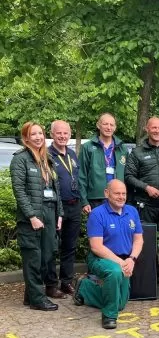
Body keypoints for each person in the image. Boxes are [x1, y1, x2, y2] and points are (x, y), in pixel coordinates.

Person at [73, 179, 143, 330]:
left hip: (125, 259)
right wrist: (121, 262)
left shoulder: (132, 211)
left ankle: (85, 288)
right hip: (100, 258)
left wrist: (131, 259)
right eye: (117, 193)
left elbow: (139, 240)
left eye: (123, 193)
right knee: (115, 272)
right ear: (107, 193)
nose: (121, 197)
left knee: (120, 304)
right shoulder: (97, 214)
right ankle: (109, 316)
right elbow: (96, 247)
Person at [10, 122, 64, 310]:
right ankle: (37, 299)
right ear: (26, 138)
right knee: (33, 258)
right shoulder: (20, 159)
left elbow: (56, 189)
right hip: (32, 216)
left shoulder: (47, 159)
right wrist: (31, 216)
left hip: (50, 213)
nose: (38, 137)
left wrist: (60, 214)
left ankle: (30, 295)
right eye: (33, 134)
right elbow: (19, 190)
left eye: (40, 133)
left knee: (46, 257)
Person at [125, 117, 159, 241]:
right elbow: (129, 176)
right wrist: (146, 187)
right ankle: (150, 261)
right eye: (154, 127)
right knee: (146, 244)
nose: (157, 131)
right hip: (145, 206)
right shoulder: (137, 152)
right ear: (147, 129)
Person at [48, 120, 82, 295]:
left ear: (70, 134)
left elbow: (78, 179)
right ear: (52, 134)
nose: (62, 136)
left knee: (70, 246)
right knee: (53, 247)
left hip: (74, 206)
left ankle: (66, 282)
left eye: (66, 133)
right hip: (55, 209)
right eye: (59, 133)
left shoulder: (72, 154)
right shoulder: (47, 155)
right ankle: (51, 284)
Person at [78, 113, 128, 213]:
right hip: (96, 198)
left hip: (117, 197)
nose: (109, 127)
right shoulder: (87, 147)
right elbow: (81, 175)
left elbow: (127, 175)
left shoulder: (122, 148)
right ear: (98, 125)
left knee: (116, 227)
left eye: (112, 125)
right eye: (105, 124)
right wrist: (84, 201)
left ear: (115, 127)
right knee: (97, 227)